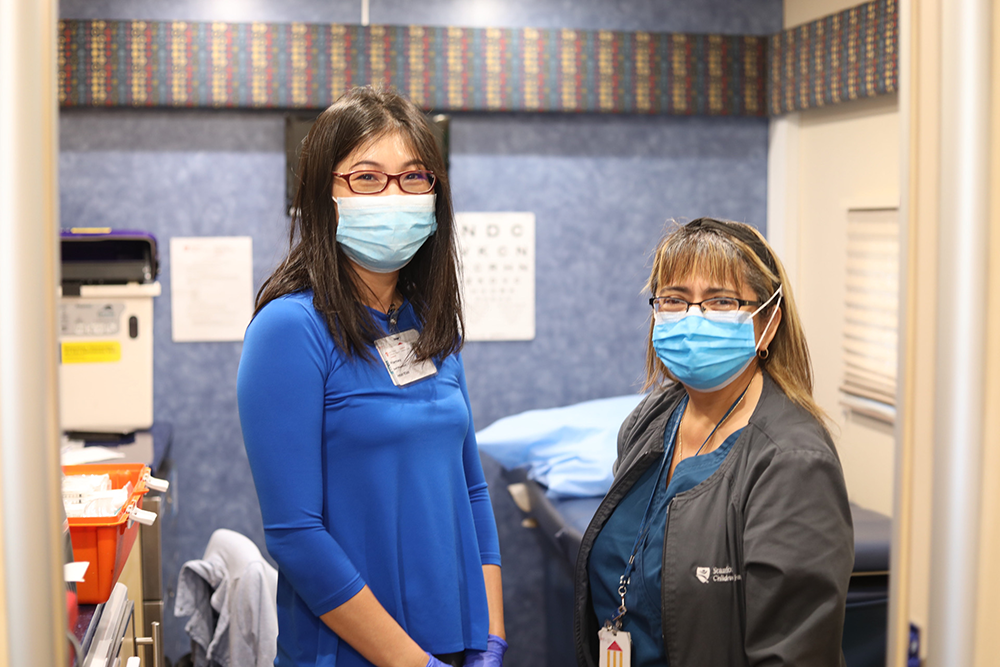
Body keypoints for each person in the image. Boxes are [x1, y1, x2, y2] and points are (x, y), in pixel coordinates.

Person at [237, 85, 506, 667]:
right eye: (366, 177)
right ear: (322, 194)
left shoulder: (429, 323)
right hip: (353, 653)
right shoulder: (290, 330)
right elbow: (295, 535)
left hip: (457, 641)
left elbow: (472, 489)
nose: (394, 195)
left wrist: (491, 635)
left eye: (414, 177)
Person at [573, 218, 854, 666]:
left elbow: (793, 654)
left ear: (768, 322)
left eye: (721, 302)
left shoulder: (792, 461)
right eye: (675, 300)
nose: (693, 318)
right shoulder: (650, 420)